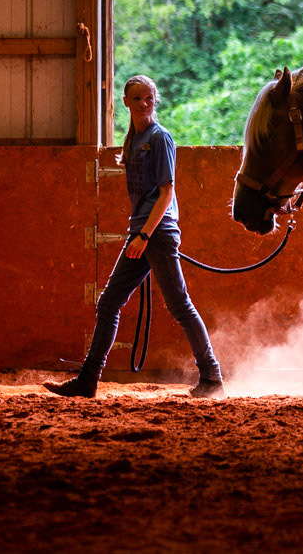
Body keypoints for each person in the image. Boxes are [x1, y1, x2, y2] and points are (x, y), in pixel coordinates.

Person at [45, 75, 225, 399]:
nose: (144, 104)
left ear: (155, 101)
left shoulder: (160, 138)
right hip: (142, 233)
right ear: (126, 102)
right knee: (109, 302)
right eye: (137, 99)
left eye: (149, 99)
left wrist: (143, 234)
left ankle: (212, 376)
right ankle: (88, 380)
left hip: (156, 232)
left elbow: (166, 193)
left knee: (179, 304)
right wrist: (139, 234)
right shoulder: (133, 139)